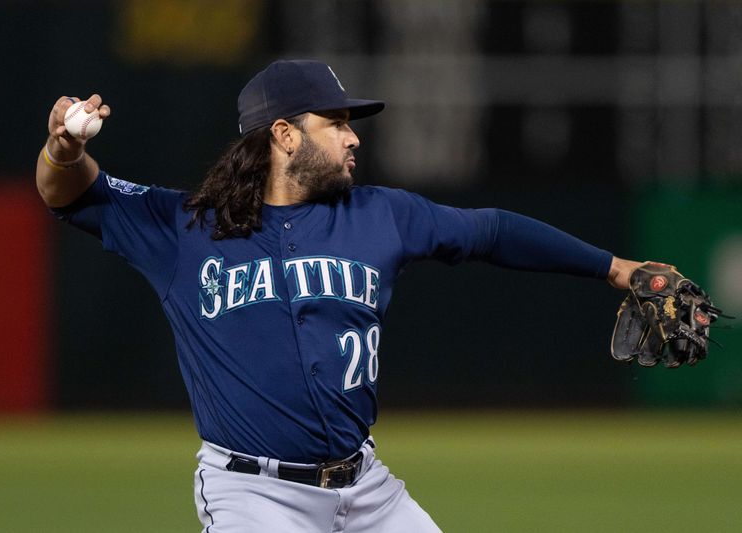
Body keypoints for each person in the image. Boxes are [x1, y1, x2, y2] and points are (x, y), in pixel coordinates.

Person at [37, 59, 643, 532]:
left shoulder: (380, 215)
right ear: (285, 135)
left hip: (367, 490)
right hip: (255, 495)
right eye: (337, 122)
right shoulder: (185, 229)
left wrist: (615, 268)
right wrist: (62, 150)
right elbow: (70, 193)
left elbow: (491, 231)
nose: (353, 138)